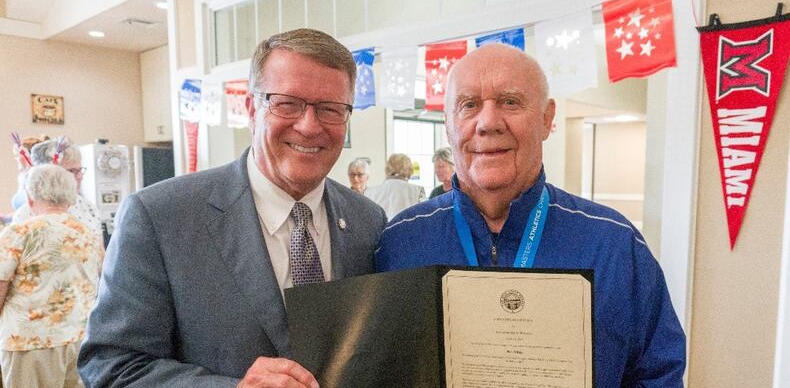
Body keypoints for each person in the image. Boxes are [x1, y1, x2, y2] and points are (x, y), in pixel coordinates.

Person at [78, 28, 387, 388]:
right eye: (287, 103)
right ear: (252, 109)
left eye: (330, 109)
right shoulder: (160, 217)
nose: (308, 125)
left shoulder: (368, 220)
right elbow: (110, 366)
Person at [375, 44, 686, 387]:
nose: (488, 122)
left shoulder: (613, 244)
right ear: (448, 123)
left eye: (510, 102)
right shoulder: (400, 243)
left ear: (547, 118)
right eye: (469, 105)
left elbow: (658, 376)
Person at [0, 164, 103, 388]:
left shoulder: (19, 233)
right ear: (71, 198)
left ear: (29, 197)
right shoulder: (89, 235)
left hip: (29, 343)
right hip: (79, 339)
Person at [13, 138, 101, 244]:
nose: (80, 176)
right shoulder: (24, 214)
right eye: (71, 171)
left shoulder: (88, 209)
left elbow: (102, 254)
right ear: (47, 173)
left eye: (80, 170)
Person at [364, 153, 426, 220]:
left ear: (387, 168)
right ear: (409, 169)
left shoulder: (369, 192)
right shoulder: (418, 190)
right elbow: (423, 218)